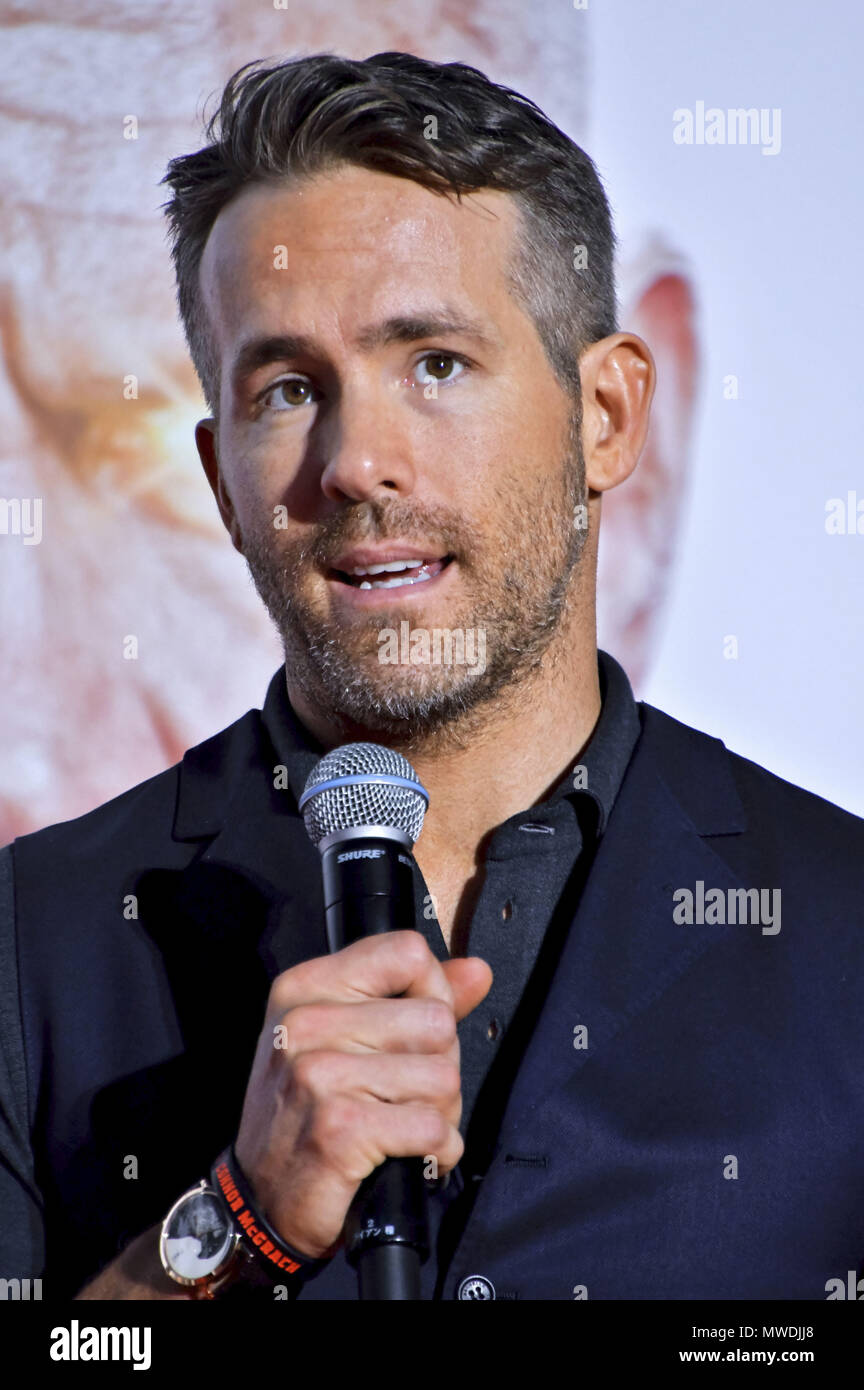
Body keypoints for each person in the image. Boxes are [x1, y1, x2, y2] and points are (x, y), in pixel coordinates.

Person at [1, 51, 862, 1303]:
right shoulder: (30, 950)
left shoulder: (843, 932)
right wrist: (233, 1225)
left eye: (437, 364)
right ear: (221, 482)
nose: (356, 464)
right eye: (290, 389)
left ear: (608, 417)